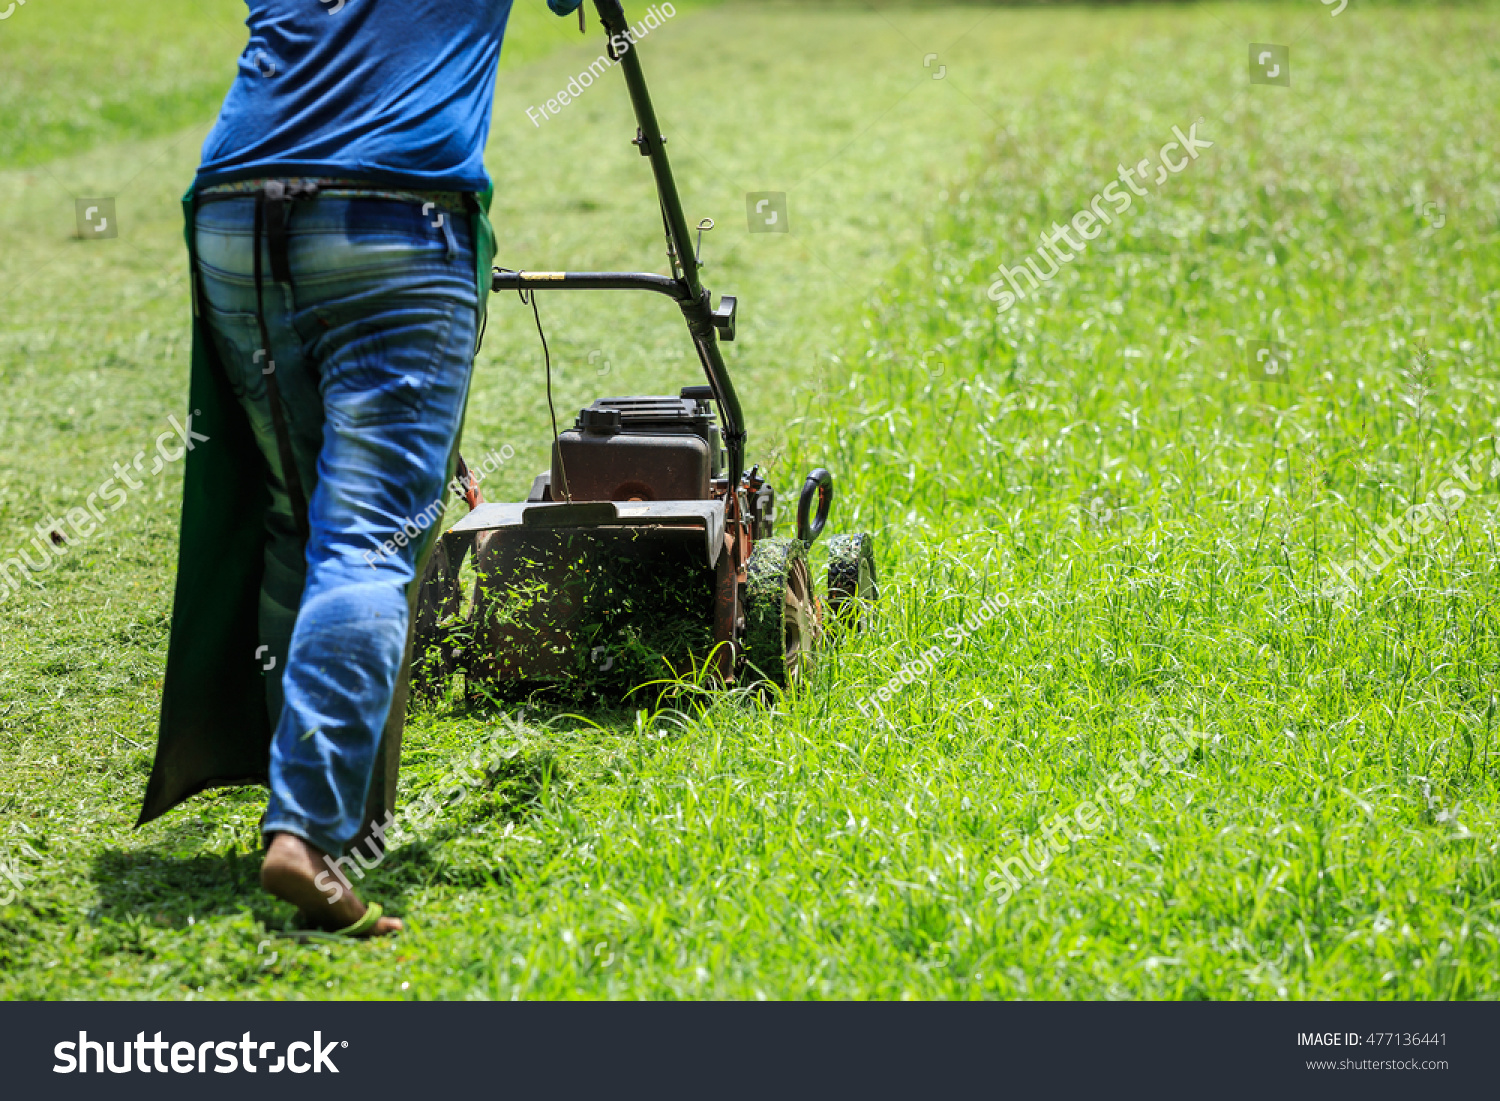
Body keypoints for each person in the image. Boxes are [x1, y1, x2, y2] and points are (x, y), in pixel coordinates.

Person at [137, 0, 586, 938]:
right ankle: (307, 834)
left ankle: (331, 811)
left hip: (235, 205)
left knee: (297, 520)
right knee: (366, 541)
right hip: (395, 210)